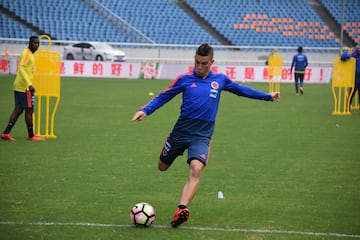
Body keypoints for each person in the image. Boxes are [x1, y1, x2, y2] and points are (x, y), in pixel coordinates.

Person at [132, 43, 280, 228]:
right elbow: (164, 96)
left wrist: (267, 96)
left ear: (212, 62)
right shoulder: (184, 79)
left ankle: (181, 209)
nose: (199, 67)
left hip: (202, 134)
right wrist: (146, 110)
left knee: (196, 169)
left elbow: (241, 89)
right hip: (181, 131)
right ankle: (171, 151)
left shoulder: (220, 80)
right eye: (197, 62)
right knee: (162, 166)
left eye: (204, 63)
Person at [1, 36, 44, 141]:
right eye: (34, 43)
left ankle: (6, 133)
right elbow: (21, 68)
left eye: (38, 43)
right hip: (25, 88)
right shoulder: (27, 53)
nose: (36, 45)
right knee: (29, 110)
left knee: (18, 110)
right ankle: (31, 136)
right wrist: (29, 84)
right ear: (29, 43)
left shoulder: (30, 54)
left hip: (19, 86)